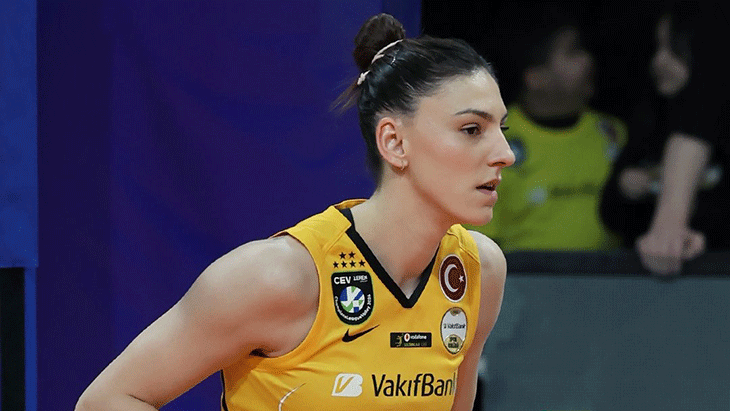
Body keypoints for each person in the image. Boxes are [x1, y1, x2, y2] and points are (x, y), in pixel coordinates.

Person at [75, 13, 514, 411]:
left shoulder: (480, 270)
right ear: (394, 143)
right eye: (471, 129)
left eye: (501, 128)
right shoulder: (278, 277)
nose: (504, 153)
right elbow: (107, 400)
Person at [469, 8, 627, 252]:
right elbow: (479, 247)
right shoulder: (493, 143)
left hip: (611, 275)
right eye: (573, 52)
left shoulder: (613, 133)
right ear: (536, 78)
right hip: (521, 276)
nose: (587, 60)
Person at [600, 2, 729, 275]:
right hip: (647, 282)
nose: (659, 61)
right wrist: (625, 189)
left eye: (676, 50)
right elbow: (611, 215)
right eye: (657, 48)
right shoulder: (649, 125)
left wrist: (682, 229)